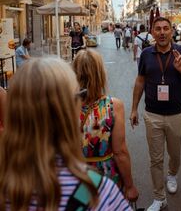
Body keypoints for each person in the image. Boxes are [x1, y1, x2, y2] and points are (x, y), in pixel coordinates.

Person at [0, 57, 132, 210]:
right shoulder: (98, 192)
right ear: (67, 112)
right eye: (78, 96)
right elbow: (120, 151)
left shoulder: (6, 184)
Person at [130, 17, 181, 211]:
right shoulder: (146, 54)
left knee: (175, 154)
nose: (161, 32)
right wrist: (134, 108)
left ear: (171, 32)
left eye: (166, 28)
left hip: (176, 114)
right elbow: (140, 81)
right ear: (152, 32)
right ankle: (159, 197)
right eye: (158, 28)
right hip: (152, 115)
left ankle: (173, 174)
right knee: (156, 158)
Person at [73, 49, 139, 202]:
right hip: (105, 177)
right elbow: (120, 152)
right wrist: (130, 186)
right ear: (100, 74)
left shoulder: (62, 105)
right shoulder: (112, 106)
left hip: (75, 176)